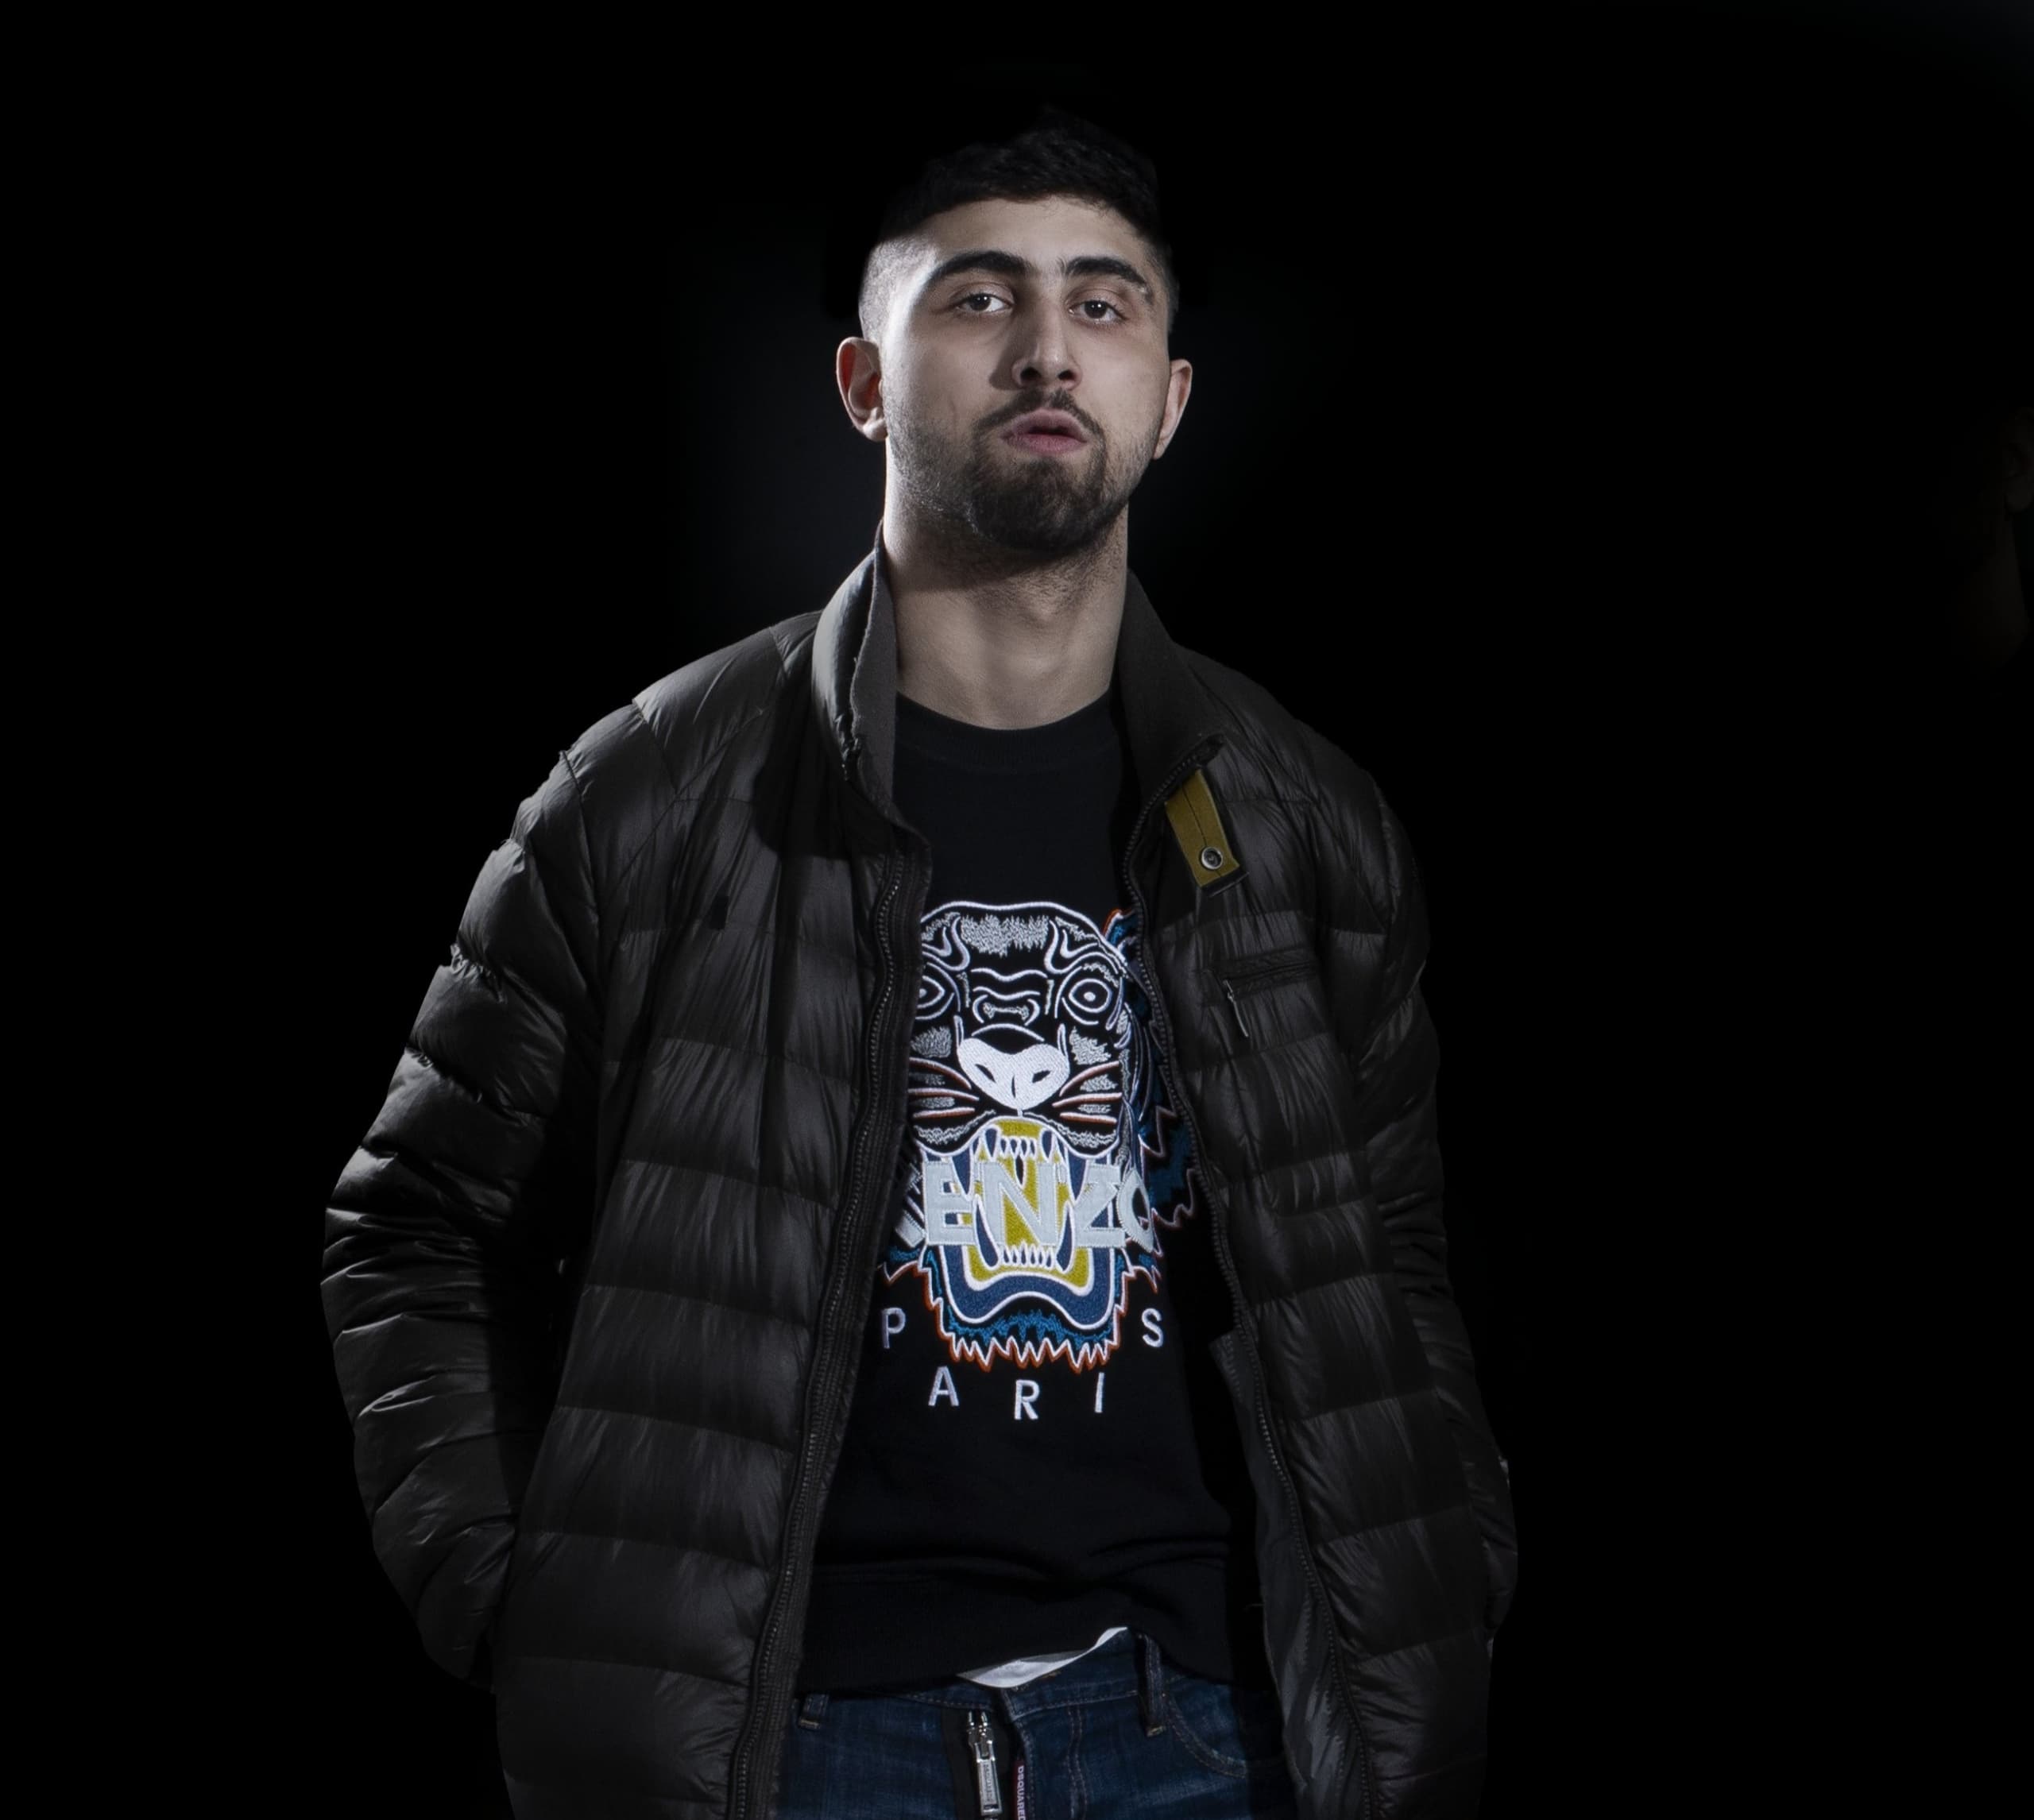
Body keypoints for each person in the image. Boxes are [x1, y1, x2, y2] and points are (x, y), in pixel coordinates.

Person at [324, 115, 1517, 1820]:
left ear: (1169, 397)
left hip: (1218, 1731)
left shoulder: (1304, 820)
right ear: (863, 383)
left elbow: (1390, 1253)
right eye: (978, 297)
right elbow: (421, 1226)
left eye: (1102, 303)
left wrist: (1442, 1561)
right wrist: (531, 1604)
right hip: (786, 1743)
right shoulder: (643, 799)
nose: (1047, 349)